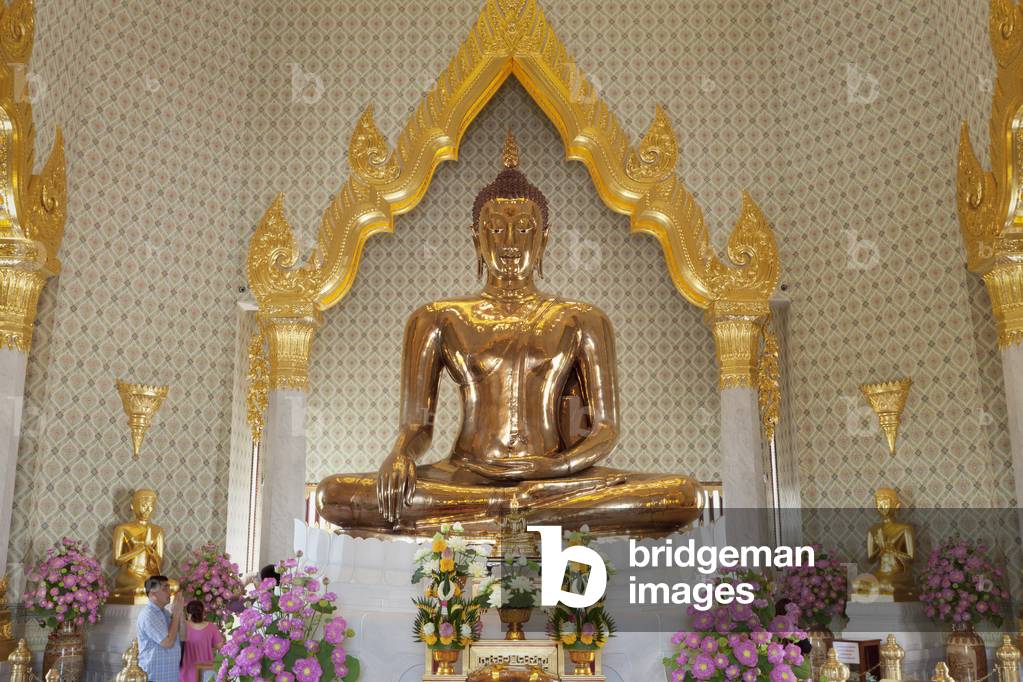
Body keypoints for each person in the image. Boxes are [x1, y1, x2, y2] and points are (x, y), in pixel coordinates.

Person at [137, 575, 184, 682]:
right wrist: (176, 614)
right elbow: (167, 642)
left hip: (170, 676)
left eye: (169, 588)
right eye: (165, 589)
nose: (170, 592)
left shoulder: (165, 613)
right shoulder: (148, 615)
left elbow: (183, 636)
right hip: (154, 677)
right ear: (153, 594)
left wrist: (180, 613)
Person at [180, 600, 224, 682]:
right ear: (203, 612)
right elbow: (220, 646)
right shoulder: (211, 627)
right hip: (206, 670)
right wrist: (209, 648)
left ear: (188, 613)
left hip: (186, 671)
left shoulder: (183, 627)